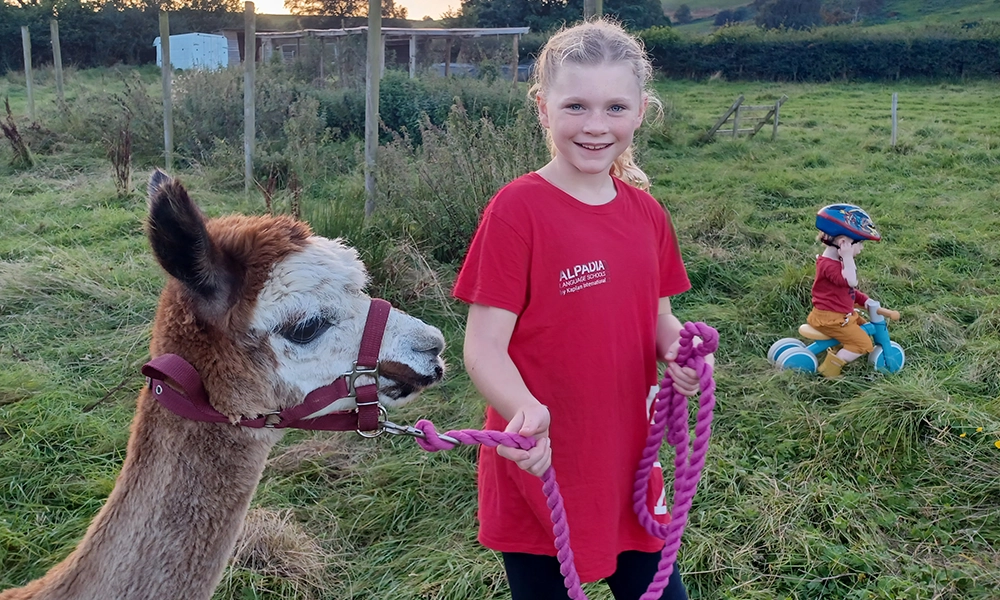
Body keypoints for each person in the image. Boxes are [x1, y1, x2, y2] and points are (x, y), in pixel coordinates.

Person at [453, 18, 711, 600]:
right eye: (576, 106)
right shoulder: (517, 211)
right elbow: (484, 346)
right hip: (539, 465)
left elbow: (658, 315)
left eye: (615, 107)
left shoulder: (647, 215)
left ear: (641, 110)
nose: (596, 127)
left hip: (628, 465)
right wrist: (523, 411)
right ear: (543, 109)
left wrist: (674, 348)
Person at [809, 203, 900, 378]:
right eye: (859, 243)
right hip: (833, 319)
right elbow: (850, 281)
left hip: (840, 315)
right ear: (843, 243)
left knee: (864, 326)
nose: (861, 248)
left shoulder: (833, 262)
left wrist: (864, 300)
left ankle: (841, 346)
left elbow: (845, 292)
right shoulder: (830, 266)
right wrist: (848, 257)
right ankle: (829, 371)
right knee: (862, 343)